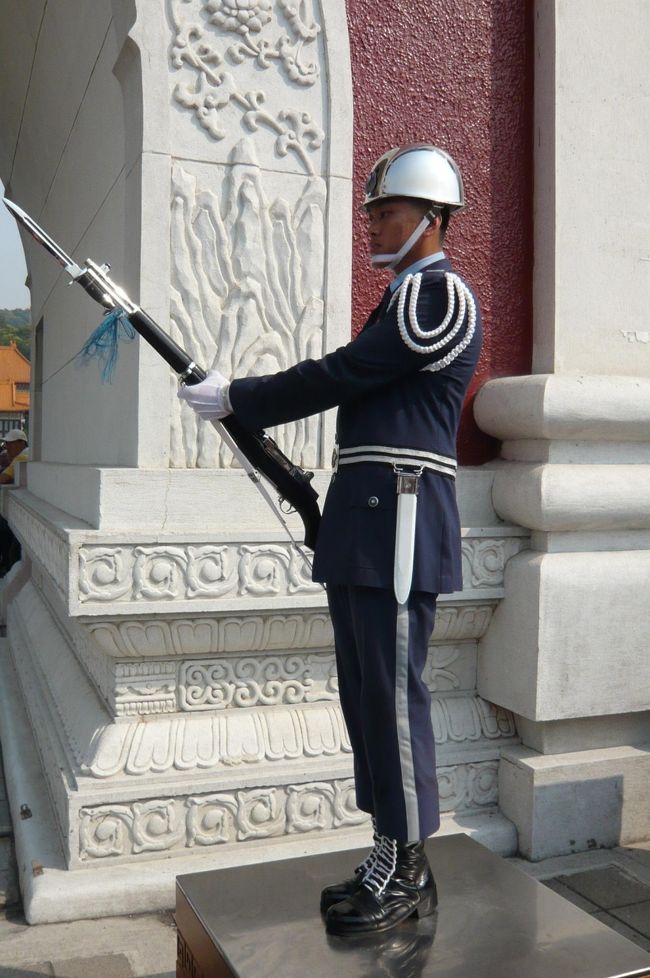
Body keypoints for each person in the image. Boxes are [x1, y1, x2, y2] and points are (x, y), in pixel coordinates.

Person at [179, 144, 482, 935]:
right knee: (363, 697)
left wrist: (240, 397)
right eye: (374, 210)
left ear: (430, 219)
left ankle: (412, 865)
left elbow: (347, 373)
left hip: (402, 522)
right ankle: (388, 845)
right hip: (367, 520)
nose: (373, 221)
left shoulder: (438, 298)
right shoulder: (399, 299)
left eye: (386, 209)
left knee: (393, 696)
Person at [0, 428, 28, 575]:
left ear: (21, 443)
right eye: (6, 443)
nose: (7, 447)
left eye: (10, 443)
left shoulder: (21, 457)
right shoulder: (24, 455)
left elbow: (3, 478)